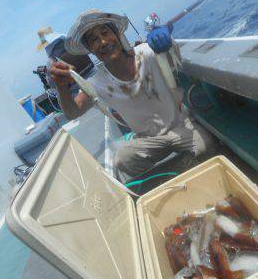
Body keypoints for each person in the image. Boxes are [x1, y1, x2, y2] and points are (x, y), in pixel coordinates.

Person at [49, 10, 214, 176]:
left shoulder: (149, 52)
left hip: (180, 125)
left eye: (106, 33)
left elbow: (175, 58)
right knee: (123, 161)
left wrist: (168, 42)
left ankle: (183, 164)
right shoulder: (96, 83)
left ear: (118, 34)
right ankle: (170, 173)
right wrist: (60, 86)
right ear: (90, 50)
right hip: (148, 139)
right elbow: (73, 111)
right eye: (94, 40)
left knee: (205, 146)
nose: (103, 42)